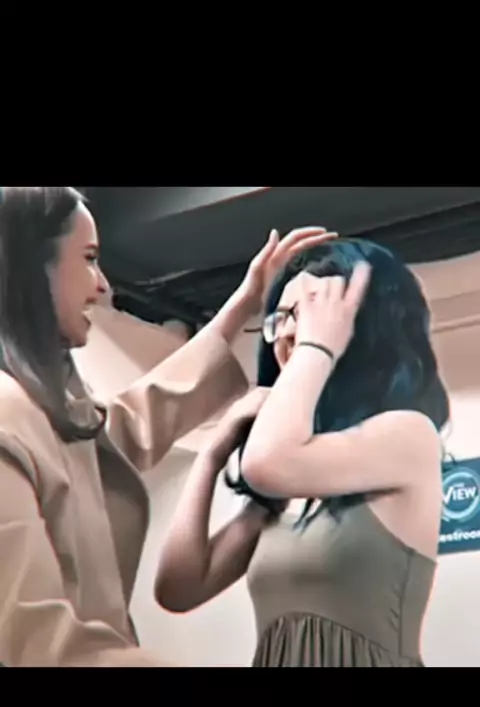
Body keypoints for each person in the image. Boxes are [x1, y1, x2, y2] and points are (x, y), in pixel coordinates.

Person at [0, 185, 334, 667]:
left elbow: (128, 426)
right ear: (33, 266)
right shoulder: (10, 419)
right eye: (89, 259)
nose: (103, 287)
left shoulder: (50, 413)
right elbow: (41, 646)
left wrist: (243, 303)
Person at [155, 237, 449, 667]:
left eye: (308, 313)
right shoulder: (286, 484)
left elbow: (267, 463)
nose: (289, 332)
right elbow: (178, 590)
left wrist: (318, 347)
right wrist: (212, 453)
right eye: (281, 317)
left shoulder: (408, 434)